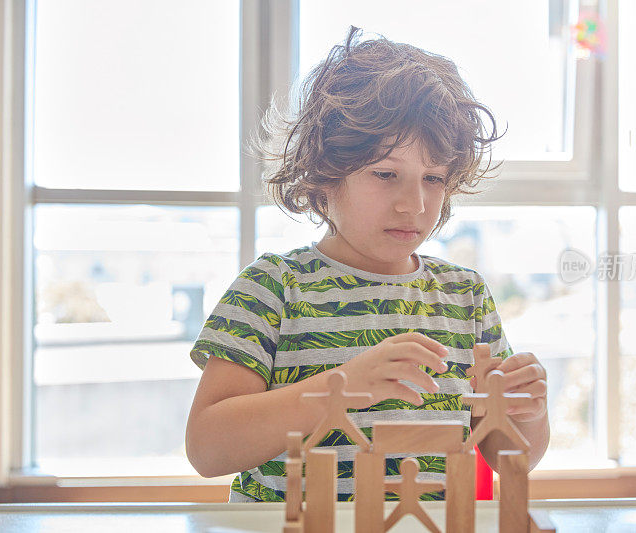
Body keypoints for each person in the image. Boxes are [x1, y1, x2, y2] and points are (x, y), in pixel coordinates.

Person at [185, 25, 549, 503]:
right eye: (385, 174)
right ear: (324, 177)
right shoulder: (272, 287)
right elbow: (207, 449)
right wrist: (342, 387)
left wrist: (527, 413)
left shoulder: (465, 295)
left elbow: (510, 456)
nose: (414, 204)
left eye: (434, 178)